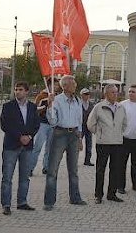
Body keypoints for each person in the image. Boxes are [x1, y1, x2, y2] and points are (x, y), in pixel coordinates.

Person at [43, 75, 86, 210]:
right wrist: (50, 105)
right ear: (65, 86)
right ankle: (49, 201)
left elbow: (79, 120)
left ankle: (75, 197)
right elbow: (52, 121)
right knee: (52, 169)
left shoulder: (77, 100)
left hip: (73, 135)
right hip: (60, 134)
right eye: (73, 84)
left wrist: (80, 138)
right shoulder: (57, 100)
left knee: (73, 169)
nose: (75, 86)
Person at [0, 81, 41, 215]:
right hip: (11, 145)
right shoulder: (8, 106)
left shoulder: (33, 107)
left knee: (24, 177)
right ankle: (6, 204)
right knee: (7, 177)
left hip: (27, 146)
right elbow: (5, 125)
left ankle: (22, 202)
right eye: (16, 89)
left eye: (21, 89)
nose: (18, 92)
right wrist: (19, 137)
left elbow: (36, 124)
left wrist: (28, 136)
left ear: (27, 91)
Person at [87, 84, 127, 203]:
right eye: (112, 92)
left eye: (116, 92)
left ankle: (112, 194)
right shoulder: (99, 107)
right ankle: (98, 195)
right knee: (100, 169)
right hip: (103, 143)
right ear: (106, 94)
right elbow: (90, 124)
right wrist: (100, 133)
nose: (115, 94)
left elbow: (125, 123)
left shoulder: (121, 107)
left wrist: (118, 133)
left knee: (115, 169)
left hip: (117, 142)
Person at [29, 79, 59, 176]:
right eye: (55, 85)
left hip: (53, 125)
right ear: (49, 85)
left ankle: (46, 167)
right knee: (37, 146)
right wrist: (47, 103)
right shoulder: (41, 96)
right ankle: (30, 168)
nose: (57, 87)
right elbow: (34, 110)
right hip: (42, 124)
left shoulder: (58, 96)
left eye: (57, 85)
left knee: (49, 148)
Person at [80, 88, 95, 166]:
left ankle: (87, 160)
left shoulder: (91, 104)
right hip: (80, 126)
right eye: (85, 94)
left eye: (88, 94)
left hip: (89, 126)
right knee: (77, 143)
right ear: (81, 95)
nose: (87, 96)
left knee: (89, 144)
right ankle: (74, 160)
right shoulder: (78, 103)